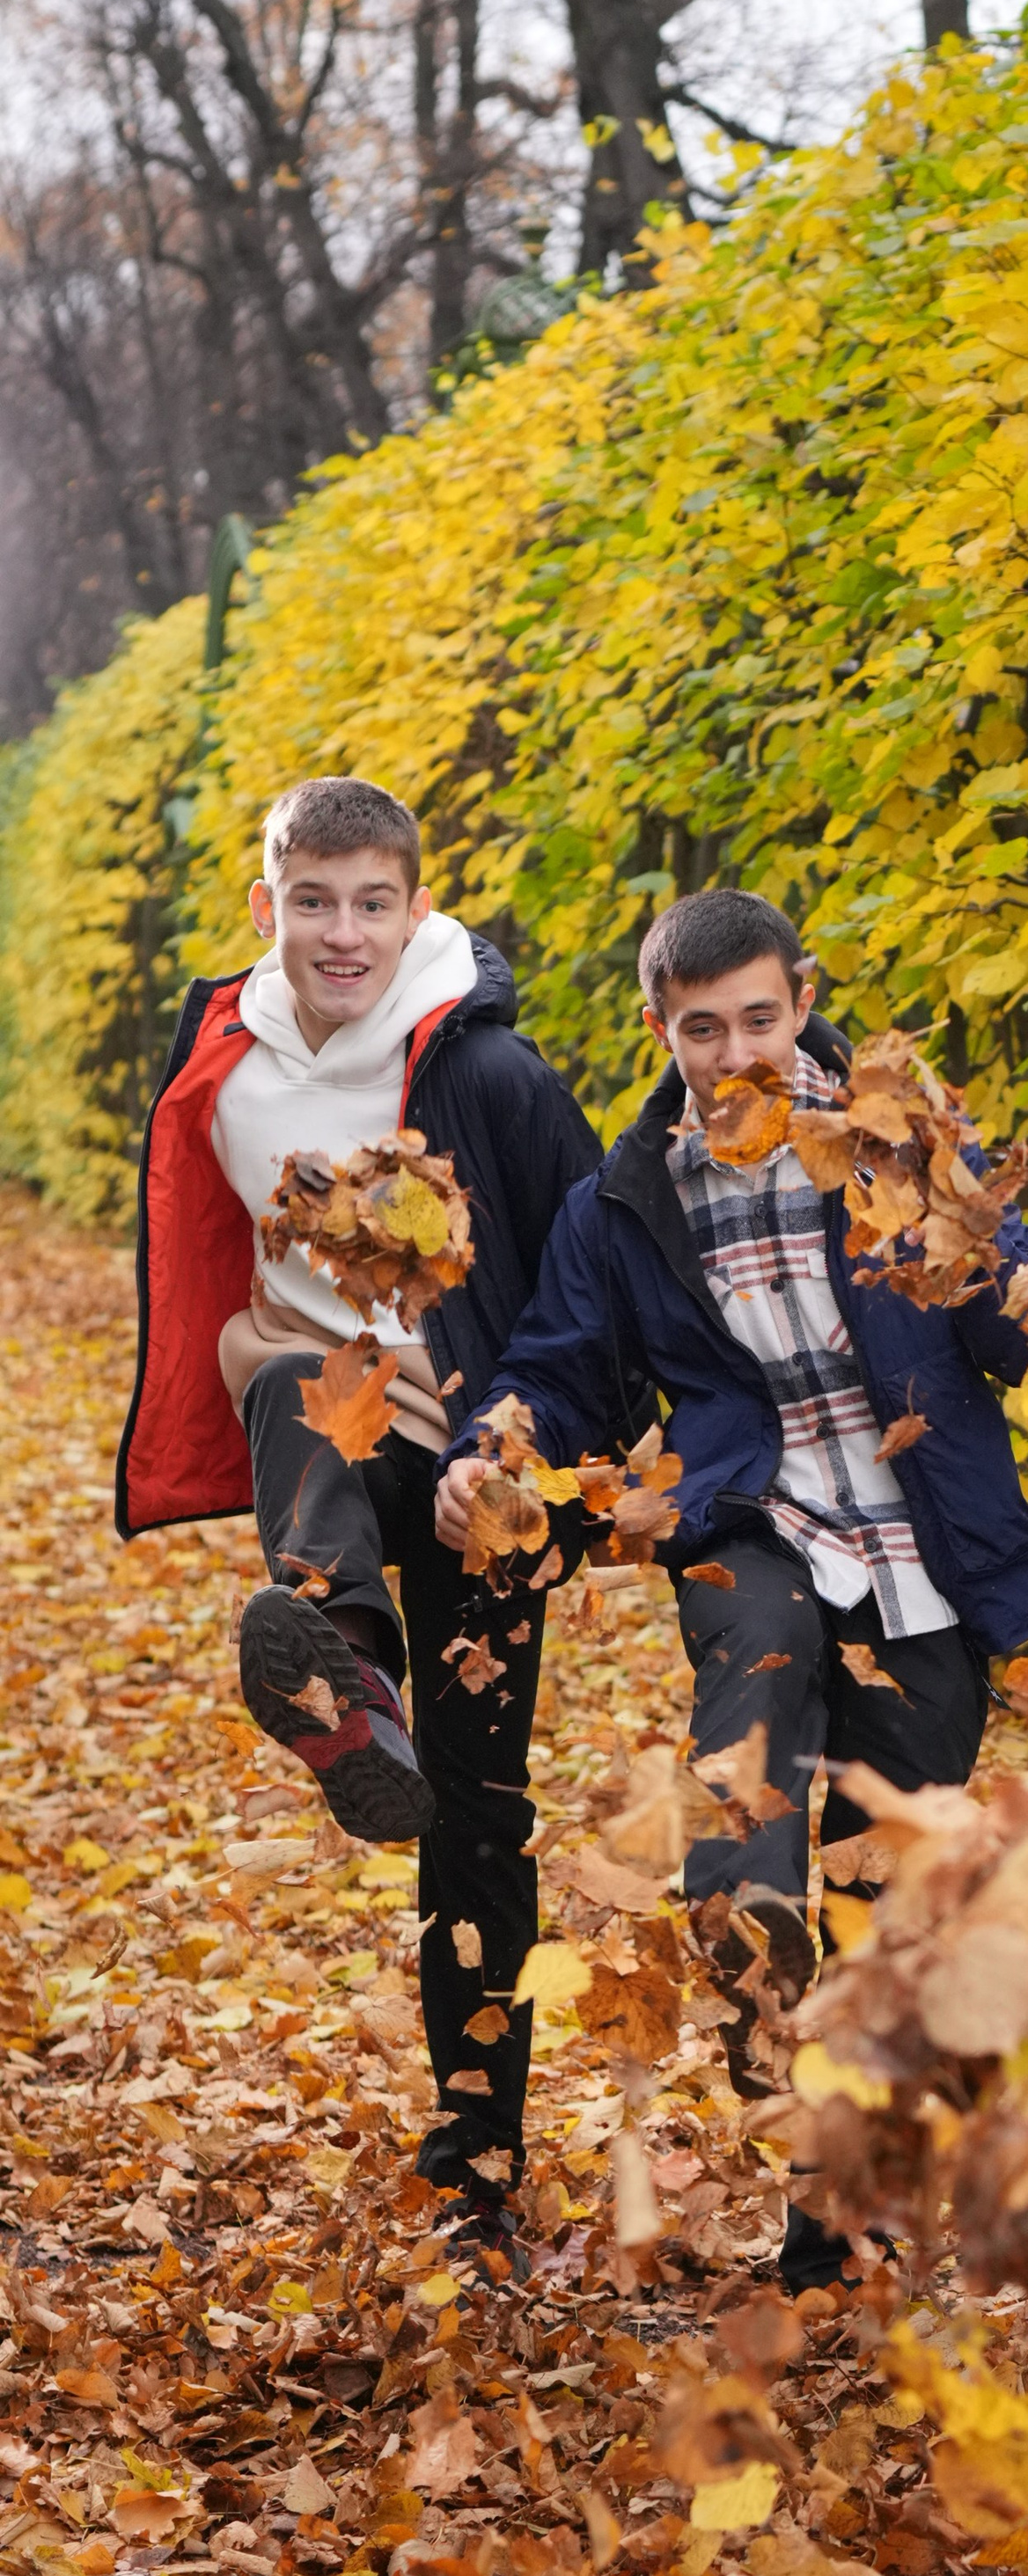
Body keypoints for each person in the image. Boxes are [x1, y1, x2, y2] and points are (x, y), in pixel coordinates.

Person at [432, 885, 1028, 2294]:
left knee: (890, 1886)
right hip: (754, 1520)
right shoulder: (627, 1200)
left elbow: (1006, 1299)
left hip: (925, 1550)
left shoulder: (897, 1141)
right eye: (701, 1030)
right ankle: (746, 1936)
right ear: (661, 1030)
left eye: (759, 1021)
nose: (734, 1056)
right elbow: (558, 1370)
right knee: (757, 1710)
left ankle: (835, 2232)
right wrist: (494, 1451)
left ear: (803, 1002)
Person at [115, 773, 602, 2244]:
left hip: (481, 1461)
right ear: (266, 906)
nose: (343, 933)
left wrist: (528, 1452)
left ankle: (479, 2156)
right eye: (313, 901)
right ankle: (342, 1657)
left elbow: (591, 1270)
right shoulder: (228, 1070)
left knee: (478, 1809)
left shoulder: (489, 1072)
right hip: (334, 1429)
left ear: (416, 908)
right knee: (290, 1374)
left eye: (372, 904)